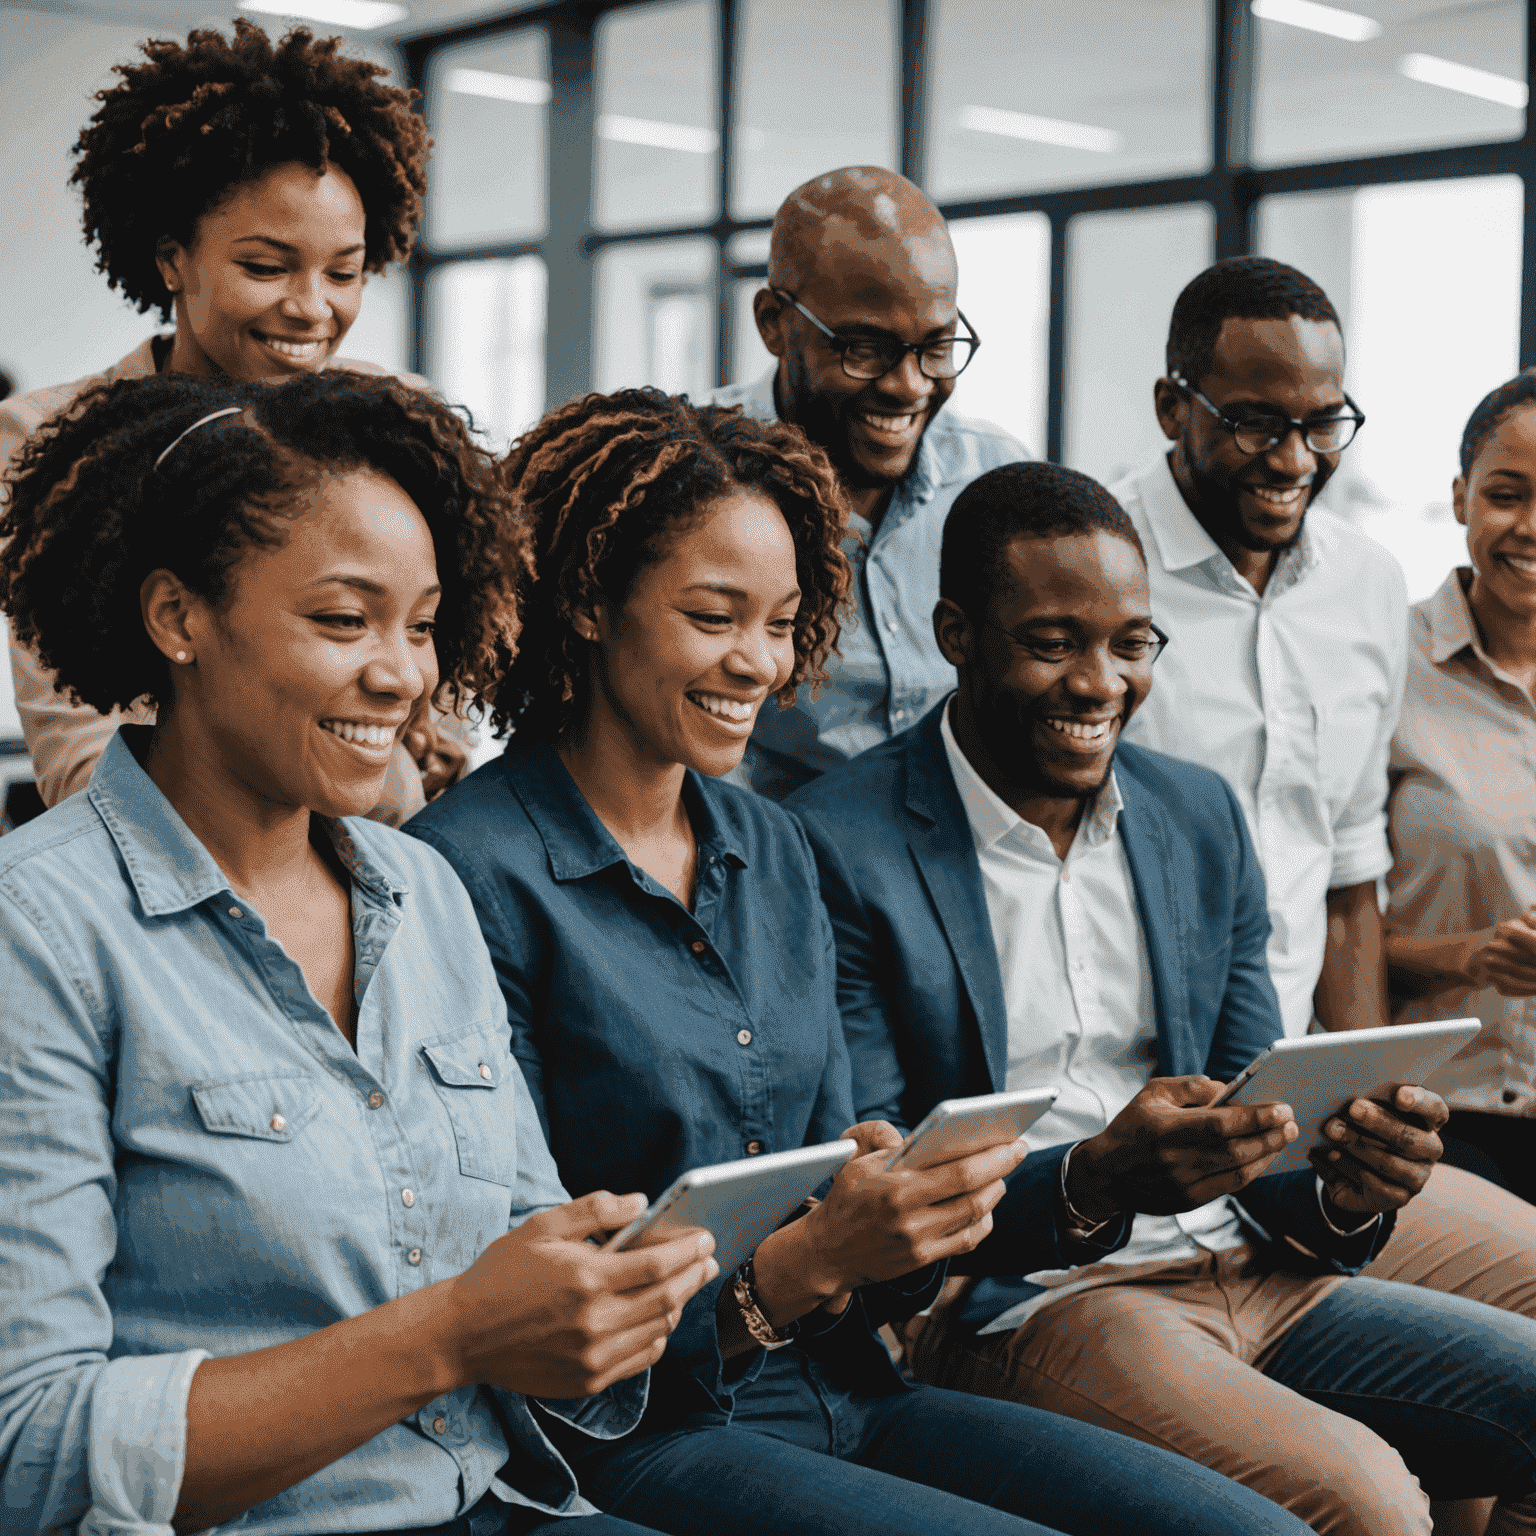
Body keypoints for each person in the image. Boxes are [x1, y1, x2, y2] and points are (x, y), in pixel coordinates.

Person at [406, 390, 1309, 1536]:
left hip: (844, 1387)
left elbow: (841, 1182)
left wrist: (905, 1207)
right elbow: (517, 1298)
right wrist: (804, 1263)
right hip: (625, 1437)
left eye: (782, 624)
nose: (758, 664)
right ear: (587, 602)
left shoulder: (773, 849)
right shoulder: (464, 876)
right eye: (714, 616)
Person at [0, 369, 719, 1536]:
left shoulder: (425, 891)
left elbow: (513, 1265)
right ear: (178, 618)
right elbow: (28, 1450)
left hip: (505, 1504)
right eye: (344, 620)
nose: (403, 676)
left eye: (424, 624)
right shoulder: (39, 933)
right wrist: (452, 1334)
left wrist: (594, 1296)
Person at [787, 461, 1536, 1536]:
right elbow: (886, 1176)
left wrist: (1346, 1189)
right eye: (1053, 643)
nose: (1102, 683)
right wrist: (1091, 1184)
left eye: (1131, 644)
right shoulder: (836, 844)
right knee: (1370, 1506)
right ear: (956, 634)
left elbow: (1260, 1120)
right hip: (1027, 1298)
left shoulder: (1196, 817)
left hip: (1247, 1259)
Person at [0, 18, 463, 821]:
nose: (312, 308)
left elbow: (434, 683)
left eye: (343, 272)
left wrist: (425, 732)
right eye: (264, 266)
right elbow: (81, 761)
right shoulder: (50, 442)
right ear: (173, 255)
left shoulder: (395, 418)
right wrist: (381, 773)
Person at [704, 165, 1027, 799]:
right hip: (765, 865)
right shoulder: (693, 477)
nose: (910, 385)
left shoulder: (994, 479)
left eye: (937, 347)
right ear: (773, 322)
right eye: (864, 348)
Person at [1384, 370, 1536, 1205]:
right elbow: (1319, 924)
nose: (1530, 528)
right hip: (1439, 1116)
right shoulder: (1385, 663)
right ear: (1460, 497)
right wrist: (1472, 956)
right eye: (1507, 495)